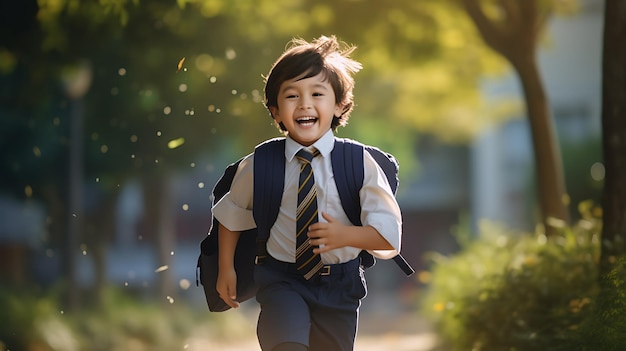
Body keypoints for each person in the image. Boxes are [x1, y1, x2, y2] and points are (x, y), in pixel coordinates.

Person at [213, 35, 402, 351]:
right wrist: (225, 269)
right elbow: (231, 216)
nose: (304, 104)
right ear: (275, 111)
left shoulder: (360, 163)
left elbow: (388, 237)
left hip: (339, 286)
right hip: (281, 280)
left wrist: (346, 236)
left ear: (340, 104)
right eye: (291, 96)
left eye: (317, 93)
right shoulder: (260, 164)